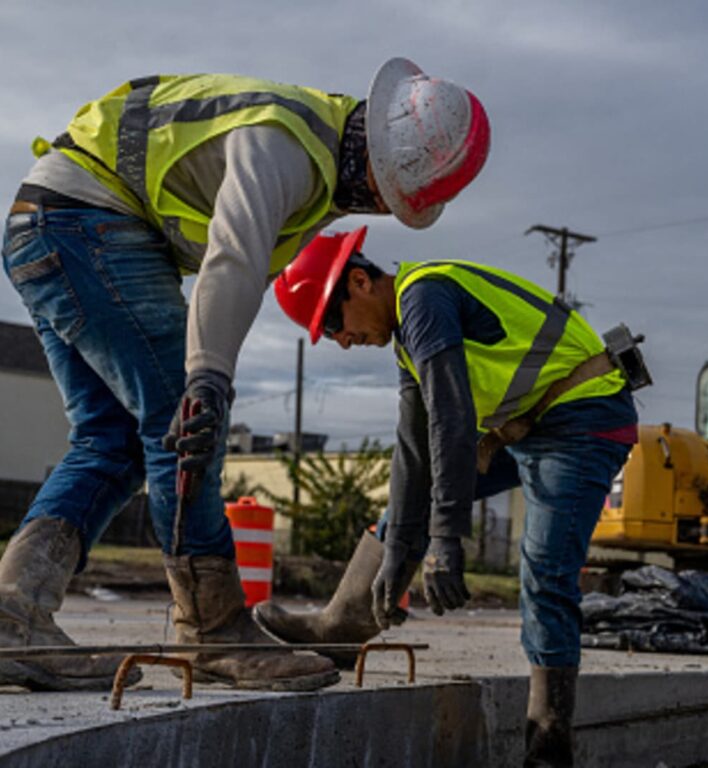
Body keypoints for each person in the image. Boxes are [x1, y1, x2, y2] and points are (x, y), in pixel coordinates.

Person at [0, 59, 490, 692]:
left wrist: (210, 368)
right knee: (183, 415)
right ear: (373, 145)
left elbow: (242, 275)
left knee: (111, 439)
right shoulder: (284, 143)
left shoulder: (317, 171)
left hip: (45, 226)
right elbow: (230, 257)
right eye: (381, 189)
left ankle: (14, 615)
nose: (375, 204)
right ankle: (211, 628)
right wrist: (206, 380)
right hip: (84, 223)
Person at [259, 227, 642, 767]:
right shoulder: (406, 336)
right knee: (410, 500)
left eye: (333, 324)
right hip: (531, 422)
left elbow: (452, 417)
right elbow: (415, 453)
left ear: (361, 282)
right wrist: (398, 552)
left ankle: (549, 743)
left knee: (545, 572)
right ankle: (342, 627)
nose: (341, 340)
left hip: (585, 416)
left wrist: (445, 540)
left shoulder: (424, 298)